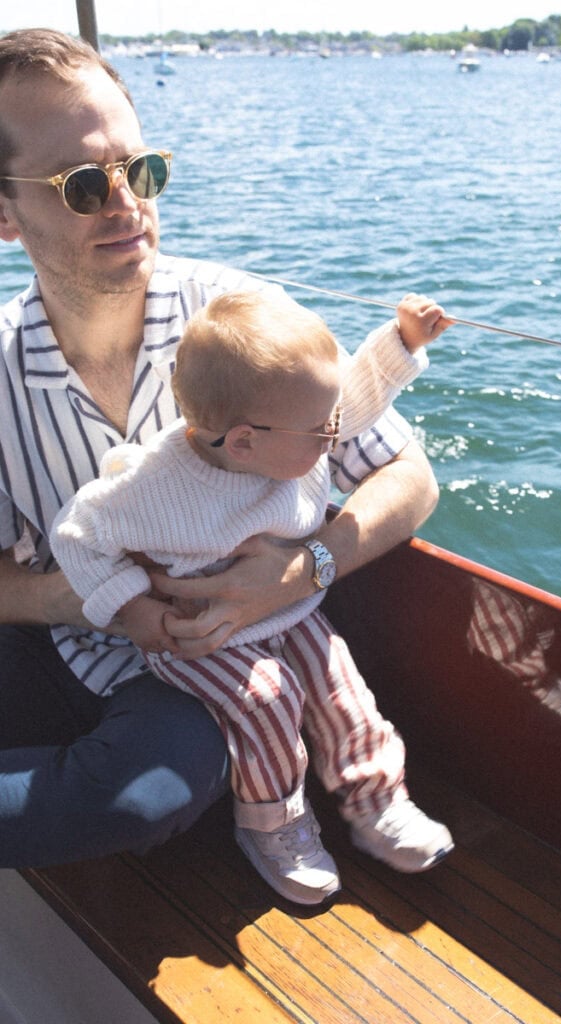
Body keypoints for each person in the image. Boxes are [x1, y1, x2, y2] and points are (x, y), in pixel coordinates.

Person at [0, 28, 441, 869]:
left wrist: (304, 567)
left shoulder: (241, 320)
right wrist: (88, 597)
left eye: (141, 171)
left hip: (216, 668)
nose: (126, 201)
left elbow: (407, 475)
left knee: (146, 793)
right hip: (69, 645)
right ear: (4, 213)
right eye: (83, 184)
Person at [50, 288, 455, 904]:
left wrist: (401, 343)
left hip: (287, 610)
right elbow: (76, 536)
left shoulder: (293, 434)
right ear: (242, 443)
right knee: (268, 697)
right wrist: (134, 609)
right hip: (198, 630)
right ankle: (274, 825)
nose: (335, 437)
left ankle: (378, 801)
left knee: (340, 687)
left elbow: (355, 399)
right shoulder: (153, 487)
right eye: (323, 431)